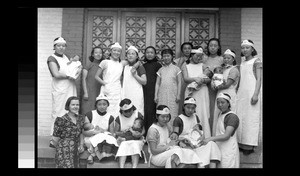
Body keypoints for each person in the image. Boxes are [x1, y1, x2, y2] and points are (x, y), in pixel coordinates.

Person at [170, 97, 221, 168]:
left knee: (212, 144)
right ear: (184, 107)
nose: (190, 110)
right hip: (185, 146)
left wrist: (202, 137)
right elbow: (174, 138)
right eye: (188, 107)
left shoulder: (195, 117)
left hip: (196, 144)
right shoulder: (178, 119)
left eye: (192, 108)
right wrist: (184, 141)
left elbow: (199, 131)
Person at [47, 37, 81, 135]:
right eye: (59, 45)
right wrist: (68, 76)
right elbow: (56, 74)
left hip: (70, 87)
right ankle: (55, 137)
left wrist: (77, 69)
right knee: (59, 111)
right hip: (60, 88)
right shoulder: (52, 58)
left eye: (63, 46)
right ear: (54, 47)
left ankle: (69, 134)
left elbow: (73, 68)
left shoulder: (66, 57)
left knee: (71, 111)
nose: (61, 48)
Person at [235, 39, 262, 155]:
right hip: (242, 94)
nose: (245, 50)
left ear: (252, 49)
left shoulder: (257, 61)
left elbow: (259, 79)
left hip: (252, 92)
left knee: (251, 119)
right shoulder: (242, 63)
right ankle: (241, 143)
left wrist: (256, 94)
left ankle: (250, 145)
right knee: (242, 117)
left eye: (247, 48)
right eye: (243, 48)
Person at [201, 93, 240, 168]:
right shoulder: (220, 114)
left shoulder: (232, 117)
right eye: (218, 103)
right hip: (220, 149)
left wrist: (210, 139)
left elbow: (226, 136)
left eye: (222, 102)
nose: (220, 105)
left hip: (229, 150)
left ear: (228, 103)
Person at [181, 47, 212, 138]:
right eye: (197, 56)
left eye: (200, 56)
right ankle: (191, 136)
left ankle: (204, 136)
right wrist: (195, 79)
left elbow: (209, 79)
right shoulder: (185, 65)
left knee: (202, 112)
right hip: (191, 91)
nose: (199, 58)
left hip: (202, 91)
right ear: (191, 55)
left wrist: (202, 81)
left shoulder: (203, 65)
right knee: (191, 111)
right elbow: (186, 78)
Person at [50, 96, 85, 168]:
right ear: (68, 106)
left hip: (75, 149)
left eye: (77, 105)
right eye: (73, 105)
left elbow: (81, 132)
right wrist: (62, 148)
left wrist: (81, 144)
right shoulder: (61, 120)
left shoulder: (80, 118)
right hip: (63, 150)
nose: (75, 107)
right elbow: (55, 139)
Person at [82, 94, 118, 164]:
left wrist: (102, 131)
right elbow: (84, 131)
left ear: (107, 105)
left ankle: (93, 155)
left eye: (104, 104)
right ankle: (98, 155)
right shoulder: (90, 114)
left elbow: (111, 134)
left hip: (104, 138)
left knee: (111, 140)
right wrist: (95, 132)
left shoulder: (110, 117)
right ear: (96, 105)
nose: (102, 106)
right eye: (99, 104)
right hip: (91, 137)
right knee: (95, 141)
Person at [212, 49, 240, 136]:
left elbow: (228, 84)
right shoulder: (221, 69)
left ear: (233, 59)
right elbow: (216, 81)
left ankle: (227, 136)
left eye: (229, 58)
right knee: (218, 114)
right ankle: (216, 136)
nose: (226, 60)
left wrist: (218, 85)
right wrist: (214, 84)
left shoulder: (234, 70)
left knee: (228, 115)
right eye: (225, 58)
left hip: (229, 93)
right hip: (220, 93)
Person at [154, 48, 182, 132]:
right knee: (162, 112)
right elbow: (157, 83)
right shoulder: (161, 70)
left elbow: (179, 82)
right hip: (162, 95)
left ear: (172, 57)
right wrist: (155, 95)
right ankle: (162, 133)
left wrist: (178, 95)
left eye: (168, 56)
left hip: (173, 95)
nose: (166, 58)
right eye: (164, 56)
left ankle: (172, 134)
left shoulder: (176, 69)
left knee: (172, 113)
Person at [94, 42, 125, 117]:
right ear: (110, 51)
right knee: (105, 109)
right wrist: (105, 84)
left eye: (118, 51)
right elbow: (96, 76)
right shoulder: (105, 62)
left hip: (117, 90)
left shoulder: (122, 63)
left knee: (116, 109)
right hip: (107, 89)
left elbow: (134, 63)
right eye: (114, 50)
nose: (116, 52)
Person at [114, 98, 146, 168]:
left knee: (134, 144)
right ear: (121, 111)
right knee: (123, 144)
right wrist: (124, 132)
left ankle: (134, 166)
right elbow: (116, 132)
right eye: (125, 111)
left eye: (129, 111)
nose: (128, 113)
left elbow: (143, 130)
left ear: (132, 108)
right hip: (124, 137)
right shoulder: (118, 118)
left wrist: (139, 134)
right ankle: (121, 166)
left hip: (137, 138)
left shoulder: (138, 114)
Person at [204, 38, 223, 133]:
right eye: (211, 45)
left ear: (218, 47)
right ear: (208, 47)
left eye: (215, 46)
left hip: (217, 89)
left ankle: (215, 132)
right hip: (205, 88)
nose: (213, 48)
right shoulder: (204, 59)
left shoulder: (222, 59)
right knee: (207, 109)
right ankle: (207, 132)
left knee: (215, 109)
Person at [121, 45, 147, 116]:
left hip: (136, 94)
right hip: (126, 93)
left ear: (137, 56)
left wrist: (135, 75)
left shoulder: (140, 67)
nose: (130, 55)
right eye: (129, 54)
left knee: (137, 113)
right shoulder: (124, 67)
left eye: (133, 54)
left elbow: (144, 81)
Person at [142, 46, 162, 136]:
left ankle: (153, 135)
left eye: (151, 52)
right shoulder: (143, 66)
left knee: (153, 112)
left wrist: (157, 94)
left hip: (154, 92)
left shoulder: (158, 66)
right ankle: (145, 134)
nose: (149, 54)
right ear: (145, 54)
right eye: (147, 52)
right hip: (144, 92)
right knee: (146, 112)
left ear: (155, 54)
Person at [81, 46, 105, 115]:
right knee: (88, 112)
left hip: (100, 92)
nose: (98, 54)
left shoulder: (103, 65)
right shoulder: (88, 65)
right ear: (92, 54)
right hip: (89, 92)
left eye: (100, 53)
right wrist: (85, 92)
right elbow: (84, 79)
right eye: (96, 52)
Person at [174, 42, 193, 115]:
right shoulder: (177, 61)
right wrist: (181, 62)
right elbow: (175, 72)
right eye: (185, 48)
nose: (187, 50)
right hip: (181, 84)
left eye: (189, 48)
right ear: (182, 50)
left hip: (192, 84)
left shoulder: (194, 60)